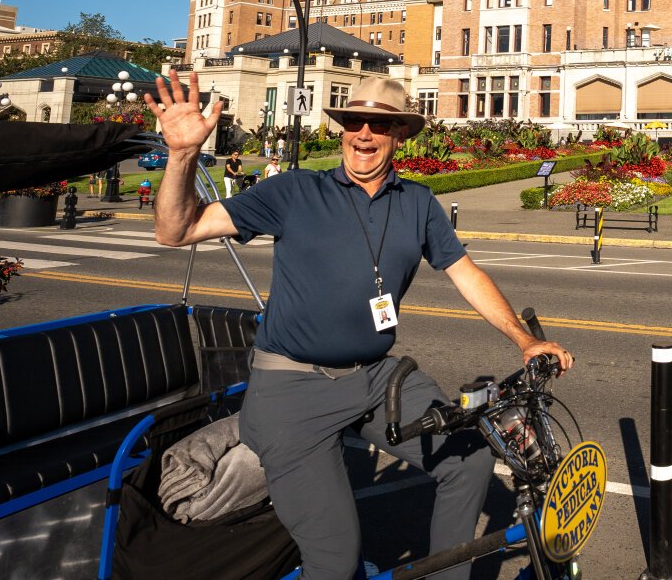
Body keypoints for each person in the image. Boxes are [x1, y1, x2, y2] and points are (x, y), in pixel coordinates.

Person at [146, 71, 572, 580]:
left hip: (374, 377)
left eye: (378, 124)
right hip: (292, 389)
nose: (363, 133)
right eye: (353, 121)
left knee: (470, 456)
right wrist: (182, 155)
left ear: (400, 136)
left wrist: (525, 340)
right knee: (335, 557)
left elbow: (465, 273)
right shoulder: (295, 191)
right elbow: (177, 230)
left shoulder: (417, 203)